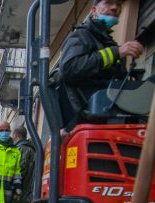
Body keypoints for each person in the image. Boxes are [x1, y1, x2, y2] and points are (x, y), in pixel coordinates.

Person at [55, 0, 143, 131]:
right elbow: (69, 68)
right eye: (108, 2)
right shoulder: (81, 36)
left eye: (118, 4)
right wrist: (116, 52)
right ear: (94, 10)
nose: (115, 7)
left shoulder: (106, 41)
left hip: (107, 105)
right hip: (90, 109)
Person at [9, 126, 36, 203]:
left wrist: (15, 185)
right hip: (26, 187)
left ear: (16, 135)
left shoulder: (23, 148)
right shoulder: (31, 148)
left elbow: (21, 168)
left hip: (21, 187)